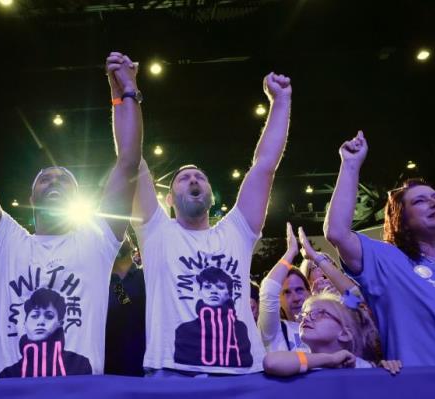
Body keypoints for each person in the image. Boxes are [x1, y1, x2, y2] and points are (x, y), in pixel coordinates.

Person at [0, 44, 142, 377]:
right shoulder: (5, 242)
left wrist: (126, 92)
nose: (54, 182)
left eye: (64, 179)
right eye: (45, 179)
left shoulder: (96, 239)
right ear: (31, 196)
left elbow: (127, 164)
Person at [132, 72, 292, 375]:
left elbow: (264, 166)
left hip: (244, 373)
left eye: (200, 177)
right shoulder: (156, 232)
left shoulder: (236, 232)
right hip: (173, 374)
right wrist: (127, 95)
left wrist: (280, 102)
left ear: (210, 193)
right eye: (183, 178)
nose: (193, 179)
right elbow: (133, 161)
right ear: (167, 199)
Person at [324, 131, 435, 366]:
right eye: (419, 201)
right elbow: (337, 232)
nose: (434, 202)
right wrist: (350, 165)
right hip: (421, 389)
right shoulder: (389, 261)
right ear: (402, 219)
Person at [263, 292, 402, 376]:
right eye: (305, 314)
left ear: (344, 334)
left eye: (319, 314)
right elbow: (271, 362)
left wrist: (389, 369)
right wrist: (330, 359)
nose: (306, 318)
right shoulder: (302, 361)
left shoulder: (362, 367)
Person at [0, 288, 91, 377]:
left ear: (60, 323)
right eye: (35, 316)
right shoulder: (8, 374)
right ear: (25, 323)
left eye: (49, 316)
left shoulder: (82, 366)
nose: (41, 322)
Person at [259, 223, 310, 352]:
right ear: (278, 301)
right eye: (287, 293)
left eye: (299, 290)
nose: (296, 298)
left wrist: (316, 258)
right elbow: (269, 289)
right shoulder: (272, 331)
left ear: (310, 292)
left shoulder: (326, 327)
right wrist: (291, 251)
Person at [105, 233, 146, 376]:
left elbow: (128, 307)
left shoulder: (144, 276)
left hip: (142, 366)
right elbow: (125, 303)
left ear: (132, 244)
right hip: (110, 368)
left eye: (124, 235)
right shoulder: (102, 281)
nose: (120, 240)